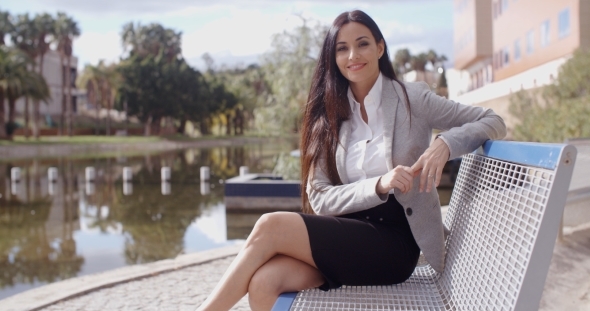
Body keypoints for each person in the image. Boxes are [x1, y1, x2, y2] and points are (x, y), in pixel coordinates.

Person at [197, 10, 506, 311]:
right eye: (342, 48)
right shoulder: (328, 115)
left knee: (271, 225)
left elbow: (492, 120)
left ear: (380, 48)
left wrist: (445, 143)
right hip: (344, 235)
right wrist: (379, 183)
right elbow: (319, 198)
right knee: (265, 282)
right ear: (333, 58)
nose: (353, 55)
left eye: (362, 44)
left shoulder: (413, 98)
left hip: (393, 243)